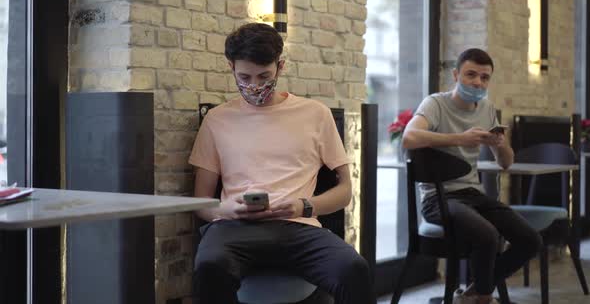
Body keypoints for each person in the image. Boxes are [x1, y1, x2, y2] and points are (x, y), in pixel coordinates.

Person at [189, 22, 373, 304]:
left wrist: (304, 206)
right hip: (233, 228)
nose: (254, 86)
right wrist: (229, 209)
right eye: (245, 76)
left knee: (354, 269)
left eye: (264, 75)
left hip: (298, 225)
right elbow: (201, 201)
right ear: (231, 67)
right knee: (210, 267)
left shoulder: (315, 114)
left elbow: (345, 191)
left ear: (281, 66)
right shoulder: (217, 120)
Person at [402, 48, 542, 304]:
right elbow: (409, 137)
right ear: (456, 75)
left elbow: (507, 163)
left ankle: (472, 294)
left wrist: (498, 144)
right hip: (438, 198)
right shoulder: (435, 103)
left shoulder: (487, 108)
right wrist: (460, 138)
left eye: (484, 77)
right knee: (486, 234)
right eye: (471, 75)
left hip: (473, 195)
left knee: (530, 240)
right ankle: (484, 299)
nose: (478, 82)